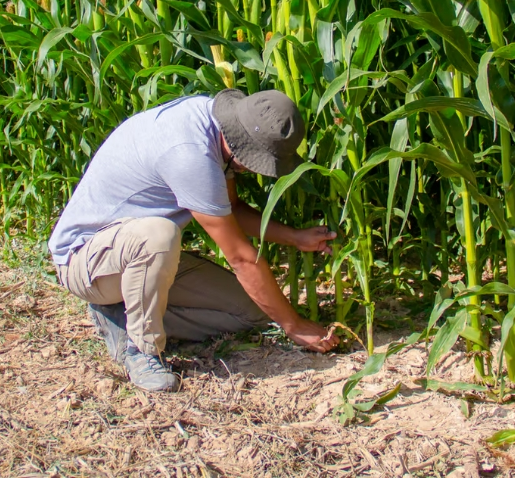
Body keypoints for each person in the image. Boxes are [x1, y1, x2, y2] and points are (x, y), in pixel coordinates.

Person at [48, 88, 340, 391]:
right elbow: (241, 258)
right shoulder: (190, 153)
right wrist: (293, 325)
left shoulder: (214, 126)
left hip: (132, 257)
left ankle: (122, 313)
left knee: (251, 311)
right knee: (159, 235)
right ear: (241, 142)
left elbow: (230, 208)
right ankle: (141, 349)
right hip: (86, 260)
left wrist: (293, 237)